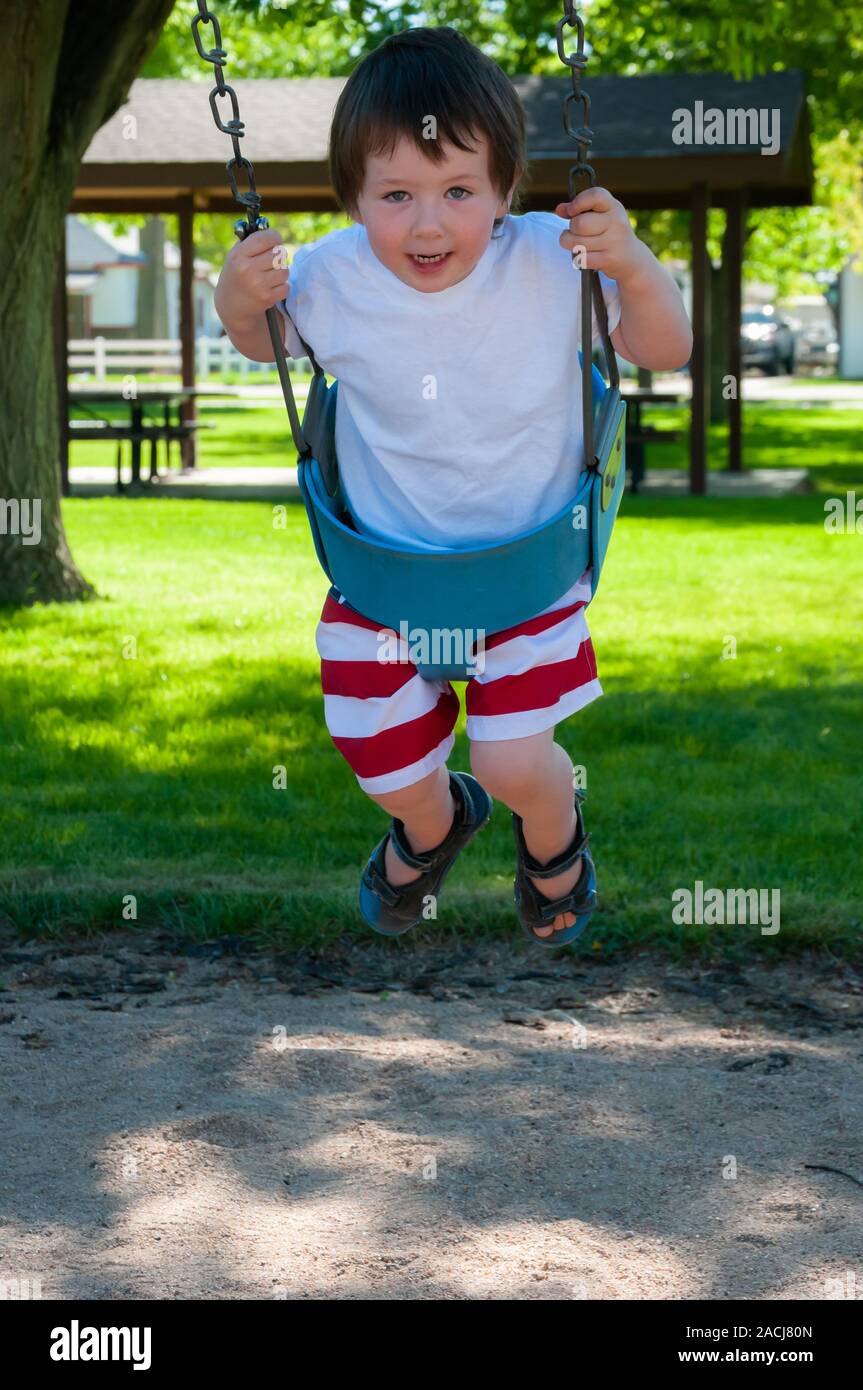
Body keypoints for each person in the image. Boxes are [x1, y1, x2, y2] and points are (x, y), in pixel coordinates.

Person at [214, 26, 692, 947]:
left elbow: (664, 348)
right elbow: (261, 343)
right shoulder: (326, 277)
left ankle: (554, 843)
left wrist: (631, 262)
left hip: (528, 575)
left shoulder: (557, 260)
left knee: (517, 760)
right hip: (385, 578)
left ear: (508, 191)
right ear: (353, 197)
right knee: (381, 762)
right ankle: (434, 824)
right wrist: (239, 299)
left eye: (458, 191)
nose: (427, 224)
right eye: (395, 194)